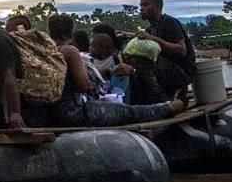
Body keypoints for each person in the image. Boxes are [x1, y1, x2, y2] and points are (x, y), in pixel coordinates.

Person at [47, 14, 184, 126]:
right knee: (126, 112)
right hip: (72, 112)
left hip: (50, 112)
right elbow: (84, 85)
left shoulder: (46, 50)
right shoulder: (69, 51)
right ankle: (168, 108)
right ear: (70, 32)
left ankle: (167, 106)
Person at [136, 0, 197, 102]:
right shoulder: (151, 29)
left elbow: (182, 50)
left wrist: (152, 39)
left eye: (146, 5)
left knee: (143, 62)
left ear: (158, 6)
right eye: (141, 6)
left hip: (182, 72)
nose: (141, 9)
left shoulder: (169, 22)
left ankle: (165, 99)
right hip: (166, 70)